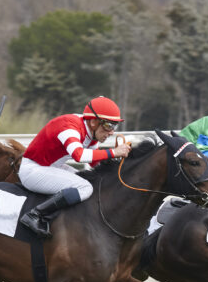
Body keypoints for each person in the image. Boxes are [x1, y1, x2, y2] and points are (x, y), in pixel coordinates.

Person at [18, 95, 133, 238]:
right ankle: (35, 215)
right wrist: (112, 152)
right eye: (109, 125)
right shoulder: (69, 126)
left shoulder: (91, 133)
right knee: (85, 187)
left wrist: (120, 160)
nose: (111, 132)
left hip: (51, 167)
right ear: (93, 122)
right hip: (32, 171)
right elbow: (79, 155)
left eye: (115, 126)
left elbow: (93, 163)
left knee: (89, 181)